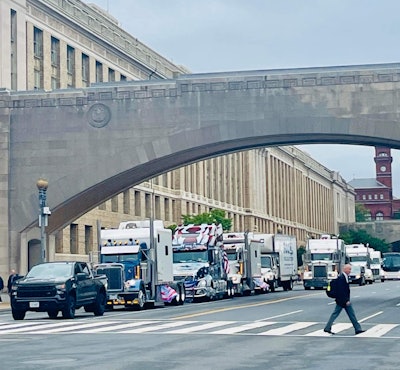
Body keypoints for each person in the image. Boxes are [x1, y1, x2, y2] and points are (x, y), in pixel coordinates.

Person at [324, 264, 365, 335]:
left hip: (342, 300)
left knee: (345, 314)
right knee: (347, 314)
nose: (350, 271)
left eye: (350, 269)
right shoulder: (341, 278)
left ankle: (357, 329)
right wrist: (346, 300)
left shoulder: (344, 277)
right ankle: (357, 329)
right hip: (342, 301)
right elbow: (341, 291)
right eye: (349, 269)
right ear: (344, 269)